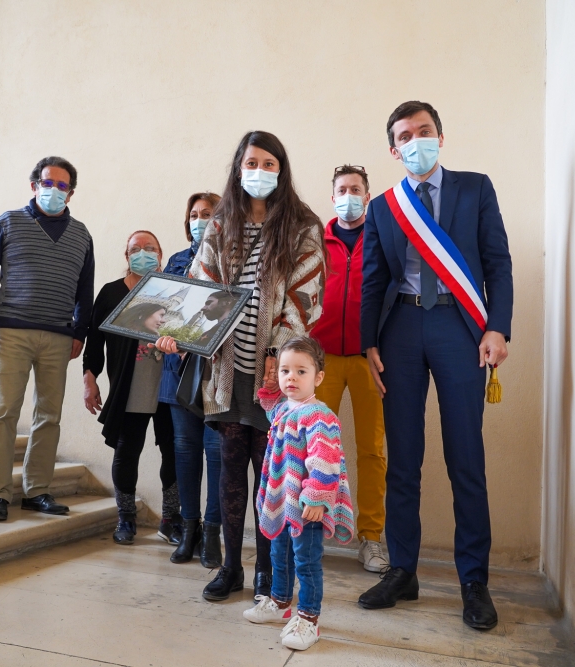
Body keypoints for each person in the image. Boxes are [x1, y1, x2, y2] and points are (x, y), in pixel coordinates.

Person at [358, 101, 513, 630]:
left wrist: (498, 327)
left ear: (440, 137)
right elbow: (373, 280)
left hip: (459, 328)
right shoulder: (384, 206)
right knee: (403, 457)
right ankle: (403, 570)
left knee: (465, 456)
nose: (415, 141)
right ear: (393, 148)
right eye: (404, 135)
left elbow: (498, 261)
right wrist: (367, 343)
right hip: (400, 330)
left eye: (423, 131)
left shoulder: (476, 188)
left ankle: (474, 580)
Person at [181, 131, 326, 602]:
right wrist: (179, 333)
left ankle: (268, 570)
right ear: (237, 168)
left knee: (271, 476)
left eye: (268, 163)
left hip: (273, 376)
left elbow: (306, 300)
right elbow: (200, 289)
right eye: (251, 162)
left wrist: (277, 358)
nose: (258, 171)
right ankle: (231, 567)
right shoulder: (220, 224)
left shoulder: (303, 225)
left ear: (280, 169)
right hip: (227, 371)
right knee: (228, 472)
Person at [0, 156, 94, 522]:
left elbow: (84, 292)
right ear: (34, 185)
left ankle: (37, 490)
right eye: (47, 182)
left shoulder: (82, 235)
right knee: (4, 412)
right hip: (11, 332)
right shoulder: (8, 223)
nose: (53, 190)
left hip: (59, 338)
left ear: (70, 193)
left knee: (49, 416)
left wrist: (80, 332)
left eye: (62, 186)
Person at [244, 336, 354, 651]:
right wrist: (267, 391)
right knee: (279, 553)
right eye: (285, 371)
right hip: (283, 501)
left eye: (300, 372)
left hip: (308, 505)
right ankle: (280, 602)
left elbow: (325, 460)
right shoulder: (284, 410)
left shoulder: (320, 416)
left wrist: (317, 498)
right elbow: (272, 413)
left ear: (318, 377)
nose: (291, 377)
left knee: (305, 561)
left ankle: (309, 619)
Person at [309, 165, 388, 573]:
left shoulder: (381, 237)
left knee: (372, 451)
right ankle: (311, 531)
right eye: (342, 189)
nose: (349, 195)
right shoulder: (315, 240)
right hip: (320, 360)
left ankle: (372, 538)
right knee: (316, 450)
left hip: (368, 359)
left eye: (356, 189)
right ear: (333, 196)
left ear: (367, 196)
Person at [83, 230, 182, 545]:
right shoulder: (112, 293)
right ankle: (125, 519)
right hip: (132, 387)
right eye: (136, 249)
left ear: (160, 253)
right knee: (127, 451)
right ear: (126, 257)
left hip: (168, 387)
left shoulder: (175, 292)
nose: (143, 253)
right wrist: (90, 377)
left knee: (174, 453)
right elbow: (94, 339)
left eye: (150, 247)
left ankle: (170, 519)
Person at [157, 192, 224, 567]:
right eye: (194, 215)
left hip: (217, 372)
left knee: (215, 451)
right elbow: (165, 314)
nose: (200, 220)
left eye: (208, 214)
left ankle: (212, 535)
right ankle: (189, 529)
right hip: (178, 370)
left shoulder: (233, 260)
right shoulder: (176, 262)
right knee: (184, 449)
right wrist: (166, 337)